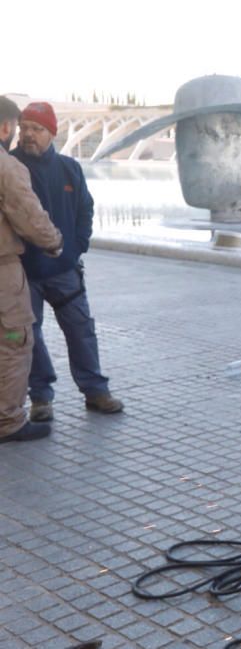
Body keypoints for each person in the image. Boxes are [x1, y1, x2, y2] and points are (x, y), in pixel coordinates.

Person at [12, 102, 124, 422]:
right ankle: (41, 398)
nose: (29, 135)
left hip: (64, 271)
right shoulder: (10, 168)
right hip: (23, 273)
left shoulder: (69, 168)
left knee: (81, 330)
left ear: (51, 133)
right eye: (25, 129)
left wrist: (77, 247)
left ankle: (95, 390)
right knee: (29, 336)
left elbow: (85, 209)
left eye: (36, 129)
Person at [0, 96, 63, 443]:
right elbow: (30, 217)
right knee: (13, 342)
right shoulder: (6, 166)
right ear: (7, 127)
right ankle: (8, 421)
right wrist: (54, 242)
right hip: (3, 272)